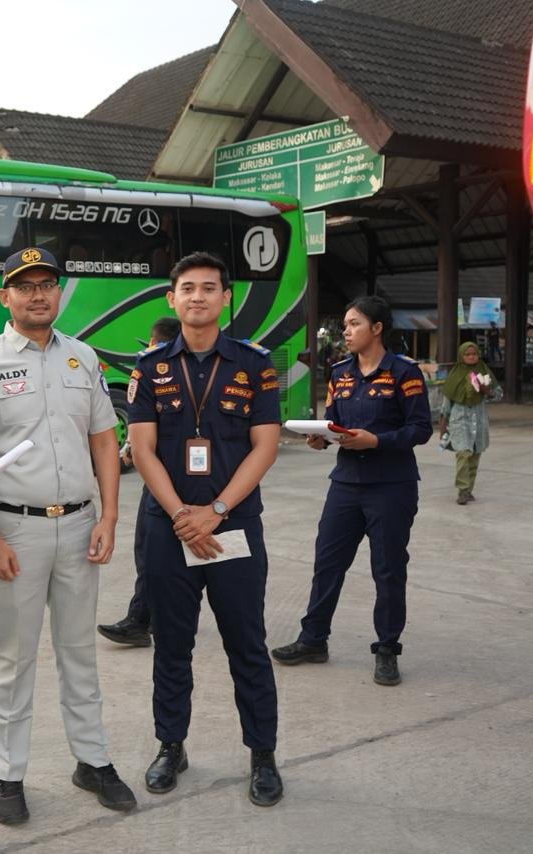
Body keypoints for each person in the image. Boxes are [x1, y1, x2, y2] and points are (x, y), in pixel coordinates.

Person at [0, 246, 136, 825]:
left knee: (80, 651)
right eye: (25, 285)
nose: (38, 294)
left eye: (48, 284)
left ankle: (93, 760)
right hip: (15, 529)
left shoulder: (83, 359)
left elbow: (105, 440)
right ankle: (8, 774)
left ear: (59, 293)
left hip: (81, 524)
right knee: (14, 658)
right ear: (4, 296)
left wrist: (108, 516)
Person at [125, 252, 284, 806]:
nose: (197, 296)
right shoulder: (148, 369)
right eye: (187, 288)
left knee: (246, 643)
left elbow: (266, 446)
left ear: (226, 298)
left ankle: (262, 754)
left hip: (231, 525)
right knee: (172, 644)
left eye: (209, 288)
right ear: (172, 299)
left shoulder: (254, 364)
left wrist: (213, 511)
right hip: (168, 526)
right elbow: (142, 450)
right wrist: (179, 516)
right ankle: (172, 745)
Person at [271, 295, 432, 687]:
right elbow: (336, 422)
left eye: (354, 323)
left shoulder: (404, 373)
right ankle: (313, 640)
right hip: (345, 485)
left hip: (391, 487)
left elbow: (420, 429)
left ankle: (388, 649)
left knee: (388, 569)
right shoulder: (340, 372)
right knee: (327, 564)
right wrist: (322, 439)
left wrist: (375, 441)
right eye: (345, 323)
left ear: (377, 329)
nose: (346, 330)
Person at [97, 315, 181, 648]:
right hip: (162, 474)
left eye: (152, 342)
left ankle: (143, 619)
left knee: (153, 551)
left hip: (164, 478)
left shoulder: (158, 372)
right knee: (157, 551)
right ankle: (150, 616)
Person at [438, 341, 498, 505]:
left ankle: (469, 490)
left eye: (474, 354)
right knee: (463, 454)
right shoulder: (455, 374)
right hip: (460, 419)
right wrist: (443, 426)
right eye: (468, 354)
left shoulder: (484, 371)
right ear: (461, 356)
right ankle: (463, 490)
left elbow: (498, 394)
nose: (471, 357)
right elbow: (446, 403)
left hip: (478, 419)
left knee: (475, 455)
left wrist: (488, 391)